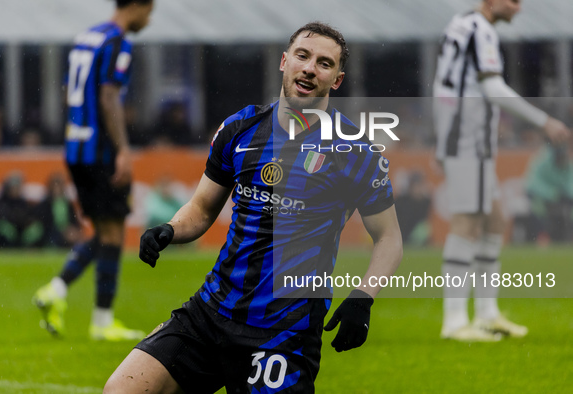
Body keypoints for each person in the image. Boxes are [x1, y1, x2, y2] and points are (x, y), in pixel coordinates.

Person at [104, 22, 403, 393]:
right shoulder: (240, 128)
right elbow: (200, 208)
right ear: (284, 61)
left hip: (283, 330)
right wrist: (170, 230)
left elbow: (389, 239)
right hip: (211, 312)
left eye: (325, 63)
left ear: (336, 80)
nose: (310, 68)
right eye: (303, 56)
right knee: (123, 389)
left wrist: (363, 299)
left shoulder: (355, 151)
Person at [433, 0, 570, 341]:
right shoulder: (481, 30)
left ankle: (486, 314)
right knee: (467, 221)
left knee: (494, 220)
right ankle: (454, 323)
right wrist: (544, 121)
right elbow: (492, 89)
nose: (518, 8)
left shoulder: (461, 24)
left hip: (462, 137)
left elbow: (444, 85)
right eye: (513, 0)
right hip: (468, 140)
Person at [32, 0, 155, 341]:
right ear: (138, 5)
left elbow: (69, 90)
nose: (150, 18)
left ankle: (57, 290)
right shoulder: (118, 42)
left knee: (105, 232)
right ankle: (101, 321)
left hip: (76, 146)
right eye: (150, 10)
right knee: (113, 233)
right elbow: (108, 96)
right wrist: (123, 150)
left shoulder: (87, 37)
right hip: (101, 151)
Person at [524, 144, 573, 244]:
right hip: (540, 197)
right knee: (537, 208)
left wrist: (565, 194)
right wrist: (552, 193)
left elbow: (570, 183)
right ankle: (541, 236)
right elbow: (532, 183)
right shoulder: (542, 161)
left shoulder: (567, 164)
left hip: (560, 198)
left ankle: (568, 237)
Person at [0, 171, 43, 248]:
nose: (15, 190)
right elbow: (0, 220)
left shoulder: (24, 203)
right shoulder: (0, 203)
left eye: (17, 187)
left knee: (36, 229)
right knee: (6, 229)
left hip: (21, 233)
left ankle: (25, 249)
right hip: (7, 236)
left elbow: (30, 218)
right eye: (13, 187)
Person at [34, 173, 83, 248]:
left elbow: (74, 220)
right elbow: (43, 222)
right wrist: (63, 231)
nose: (57, 188)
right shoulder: (46, 203)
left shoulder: (67, 203)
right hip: (52, 233)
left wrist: (74, 230)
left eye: (59, 185)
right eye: (55, 185)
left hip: (67, 232)